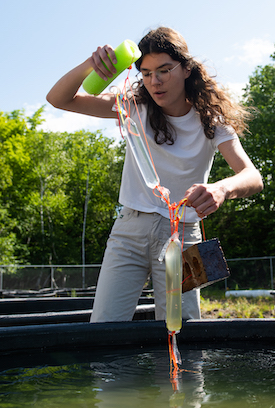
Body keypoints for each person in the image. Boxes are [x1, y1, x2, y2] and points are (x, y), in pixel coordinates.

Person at [46, 27, 263, 323]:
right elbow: (59, 99)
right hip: (128, 233)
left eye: (163, 70)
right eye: (146, 73)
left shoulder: (212, 120)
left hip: (184, 235)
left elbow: (252, 176)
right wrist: (90, 64)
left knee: (182, 334)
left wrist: (222, 189)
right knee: (103, 330)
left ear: (186, 68)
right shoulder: (135, 106)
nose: (154, 81)